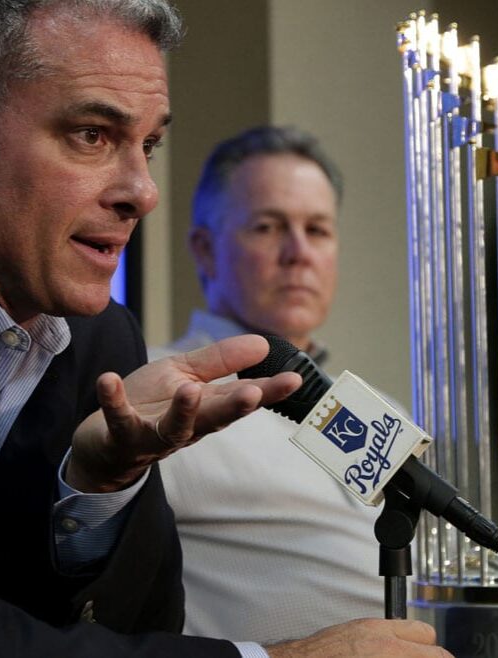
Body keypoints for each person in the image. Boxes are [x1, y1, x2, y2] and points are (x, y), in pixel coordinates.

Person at [0, 2, 449, 657]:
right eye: (93, 135)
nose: (142, 192)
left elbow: (138, 628)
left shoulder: (98, 338)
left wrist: (98, 489)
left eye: (149, 145)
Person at [152, 126, 384, 644]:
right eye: (267, 227)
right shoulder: (158, 391)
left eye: (318, 230)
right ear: (205, 250)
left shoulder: (379, 409)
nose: (298, 252)